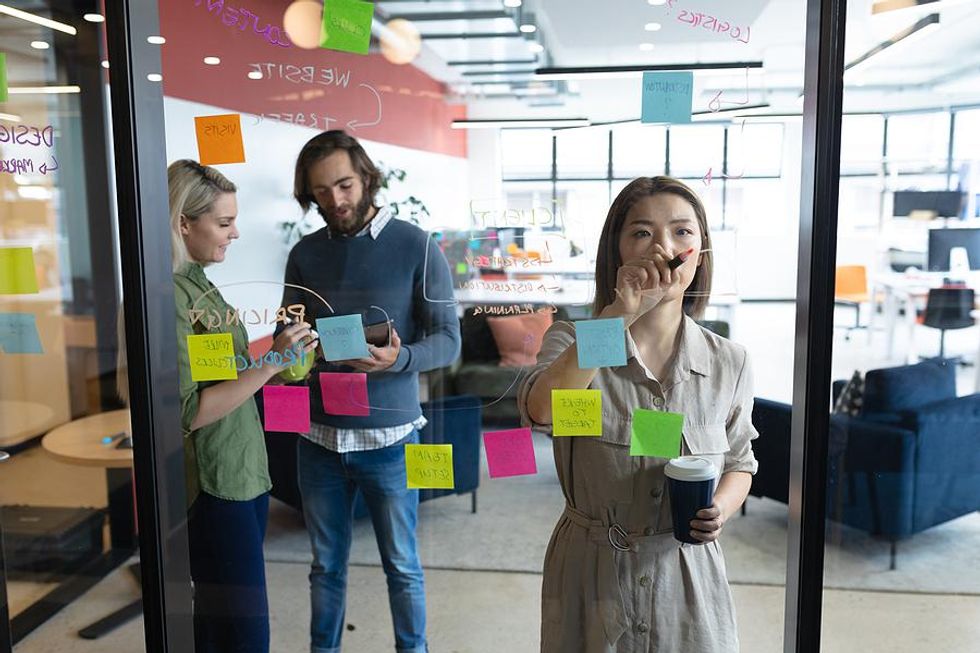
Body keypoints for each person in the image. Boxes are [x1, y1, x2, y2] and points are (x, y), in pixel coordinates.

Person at [518, 176, 758, 652]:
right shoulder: (574, 342)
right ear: (619, 249)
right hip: (592, 573)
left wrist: (722, 510)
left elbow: (740, 462)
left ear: (700, 251)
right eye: (642, 233)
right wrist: (620, 314)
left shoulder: (729, 360)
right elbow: (542, 411)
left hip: (686, 575)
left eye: (682, 232)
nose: (663, 247)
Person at [278, 131, 460, 653]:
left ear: (367, 178)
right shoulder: (304, 253)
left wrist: (397, 359)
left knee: (402, 565)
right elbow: (288, 330)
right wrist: (294, 352)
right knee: (324, 567)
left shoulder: (416, 245)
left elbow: (449, 339)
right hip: (317, 438)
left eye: (344, 184)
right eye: (321, 191)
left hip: (391, 440)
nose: (335, 200)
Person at [170, 159, 315, 653]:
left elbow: (227, 376)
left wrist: (282, 355)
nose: (236, 233)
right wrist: (271, 363)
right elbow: (190, 412)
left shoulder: (199, 282)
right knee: (243, 629)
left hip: (242, 472)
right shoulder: (168, 295)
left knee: (222, 622)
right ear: (184, 223)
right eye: (224, 223)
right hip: (215, 481)